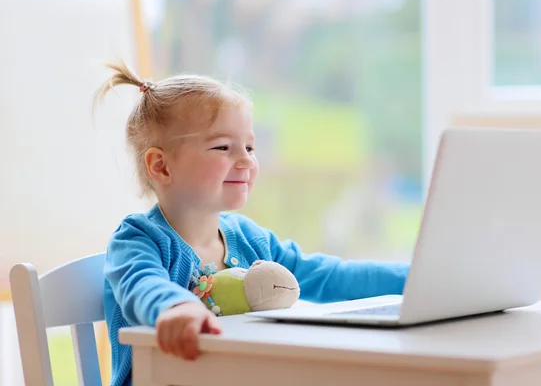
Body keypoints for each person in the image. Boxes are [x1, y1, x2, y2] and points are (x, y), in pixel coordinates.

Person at [96, 59, 411, 386]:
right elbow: (142, 285)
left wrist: (415, 279)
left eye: (249, 146)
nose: (247, 159)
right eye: (223, 147)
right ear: (161, 167)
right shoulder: (137, 239)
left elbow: (334, 278)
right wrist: (176, 307)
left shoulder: (250, 239)